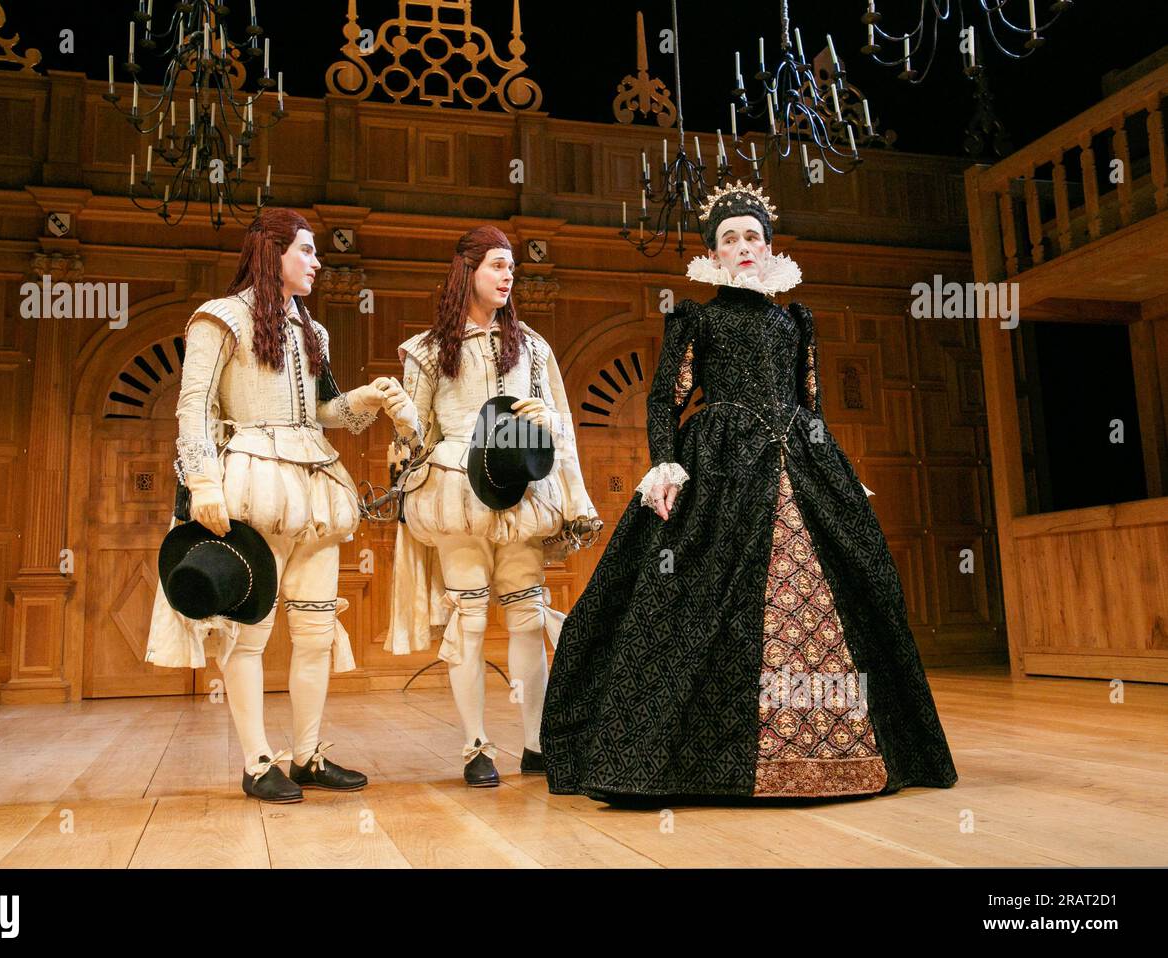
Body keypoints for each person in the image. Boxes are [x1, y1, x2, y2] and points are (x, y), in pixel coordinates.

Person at [540, 182, 958, 803]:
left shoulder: (797, 320)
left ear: (768, 248)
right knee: (692, 599)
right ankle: (686, 761)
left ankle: (848, 748)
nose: (742, 246)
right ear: (713, 251)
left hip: (802, 456)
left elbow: (810, 403)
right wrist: (667, 465)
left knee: (853, 589)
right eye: (729, 237)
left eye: (752, 236)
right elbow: (665, 400)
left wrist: (836, 467)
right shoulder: (697, 319)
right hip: (721, 458)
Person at [145, 208, 414, 803]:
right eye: (307, 251)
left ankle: (308, 755)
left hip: (313, 485)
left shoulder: (310, 331)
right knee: (251, 630)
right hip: (252, 483)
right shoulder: (221, 319)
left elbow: (325, 414)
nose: (317, 262)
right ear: (274, 254)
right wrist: (205, 485)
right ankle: (256, 759)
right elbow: (192, 409)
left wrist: (368, 397)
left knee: (315, 629)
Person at [384, 225, 598, 786]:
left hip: (519, 486)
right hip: (455, 489)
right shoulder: (428, 351)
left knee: (527, 617)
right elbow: (419, 432)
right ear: (467, 271)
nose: (507, 277)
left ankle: (536, 743)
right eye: (497, 266)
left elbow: (561, 422)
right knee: (471, 617)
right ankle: (476, 746)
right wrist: (401, 428)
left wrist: (545, 424)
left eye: (512, 269)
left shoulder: (530, 345)